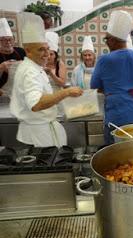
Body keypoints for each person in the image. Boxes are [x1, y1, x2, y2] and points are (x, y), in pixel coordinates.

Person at [10, 12, 83, 148]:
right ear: (28, 51)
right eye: (41, 50)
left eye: (48, 49)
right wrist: (65, 93)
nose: (47, 54)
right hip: (37, 134)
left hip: (42, 130)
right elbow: (36, 104)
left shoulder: (35, 67)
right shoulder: (29, 71)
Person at [90, 10, 133, 145]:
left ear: (112, 40)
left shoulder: (104, 60)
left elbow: (95, 87)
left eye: (106, 39)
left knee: (114, 157)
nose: (106, 43)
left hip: (115, 120)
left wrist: (113, 89)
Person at [0, 18, 26, 95]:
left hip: (20, 91)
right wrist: (1, 67)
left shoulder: (21, 51)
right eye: (3, 40)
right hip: (2, 93)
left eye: (10, 39)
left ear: (14, 40)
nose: (8, 42)